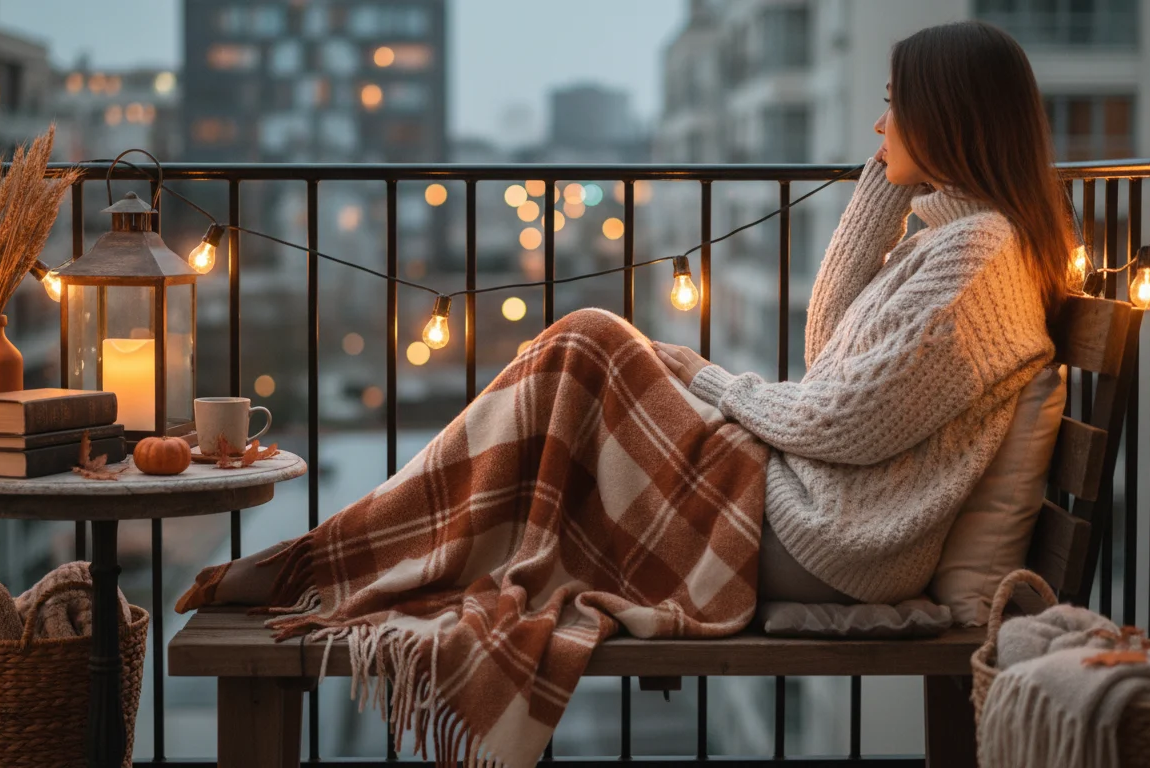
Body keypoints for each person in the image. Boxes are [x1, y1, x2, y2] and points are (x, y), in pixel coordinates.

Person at [175, 20, 1067, 765]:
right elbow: (831, 352)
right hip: (804, 504)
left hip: (826, 537)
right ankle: (346, 555)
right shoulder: (951, 240)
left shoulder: (975, 258)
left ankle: (337, 557)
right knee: (586, 356)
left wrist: (707, 379)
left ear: (946, 115)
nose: (878, 125)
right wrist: (880, 187)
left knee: (589, 344)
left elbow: (844, 417)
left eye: (892, 107)